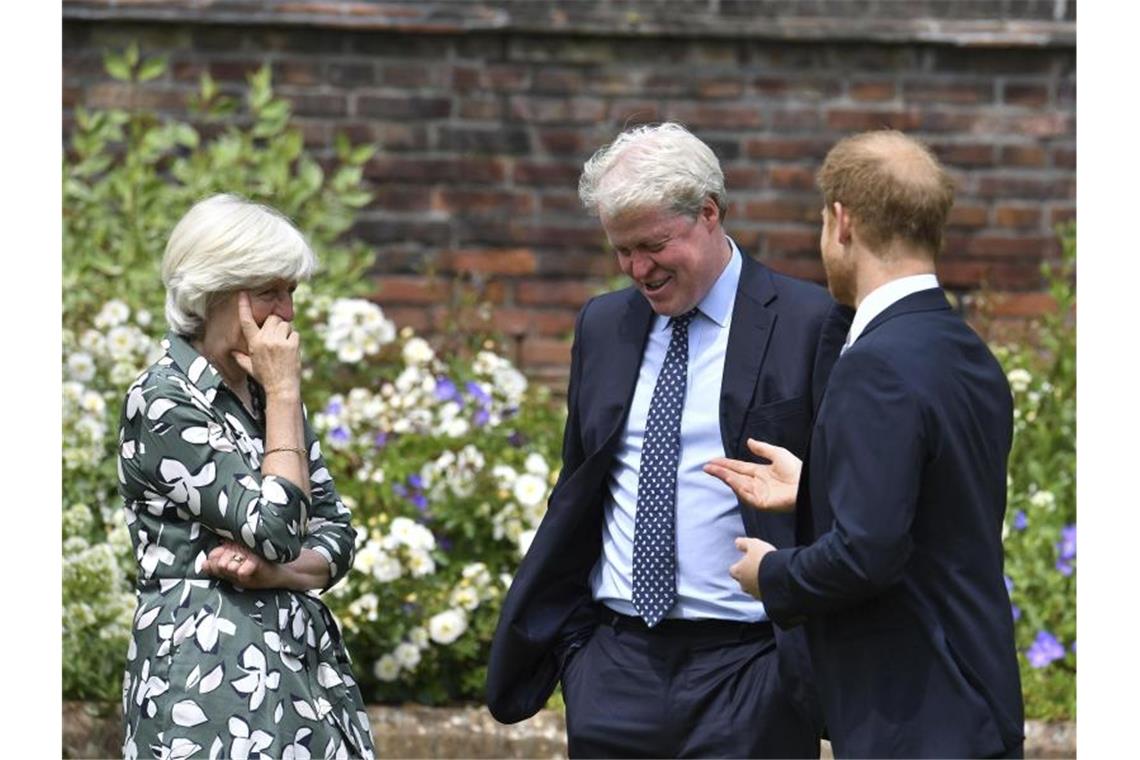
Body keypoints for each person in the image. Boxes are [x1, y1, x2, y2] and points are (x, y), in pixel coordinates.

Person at [486, 122, 847, 757]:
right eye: (621, 251)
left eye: (653, 245)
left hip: (750, 668)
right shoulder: (603, 324)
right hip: (614, 665)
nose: (638, 269)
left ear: (709, 214)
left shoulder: (807, 322)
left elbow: (846, 494)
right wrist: (582, 654)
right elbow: (581, 480)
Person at [706, 130, 1025, 758]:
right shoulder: (966, 352)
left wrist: (771, 574)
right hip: (975, 705)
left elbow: (868, 555)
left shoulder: (874, 363)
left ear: (841, 221)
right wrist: (819, 485)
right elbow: (941, 505)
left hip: (915, 718)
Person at [117, 194, 376, 759]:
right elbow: (280, 527)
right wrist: (286, 393)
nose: (286, 313)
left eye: (291, 293)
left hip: (296, 680)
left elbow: (336, 535)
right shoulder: (162, 401)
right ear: (212, 293)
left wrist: (274, 576)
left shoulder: (263, 397)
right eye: (268, 293)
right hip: (205, 681)